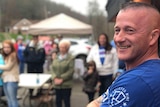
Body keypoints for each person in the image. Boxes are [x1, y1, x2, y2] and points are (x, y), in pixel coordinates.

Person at [87, 2, 160, 107]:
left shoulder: (138, 80)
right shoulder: (147, 72)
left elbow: (97, 102)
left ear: (152, 37)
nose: (118, 38)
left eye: (130, 30)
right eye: (117, 30)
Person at [50, 40, 74, 107]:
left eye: (63, 47)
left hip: (66, 84)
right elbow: (52, 68)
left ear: (67, 48)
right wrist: (54, 77)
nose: (61, 49)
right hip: (56, 84)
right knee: (58, 101)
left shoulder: (71, 58)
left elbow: (71, 71)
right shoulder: (56, 57)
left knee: (66, 101)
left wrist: (61, 79)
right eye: (60, 47)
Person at [0, 40, 19, 107]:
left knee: (13, 100)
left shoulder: (13, 55)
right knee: (9, 100)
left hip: (12, 80)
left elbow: (8, 67)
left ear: (11, 48)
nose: (6, 49)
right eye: (4, 47)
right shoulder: (6, 56)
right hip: (5, 79)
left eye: (8, 47)